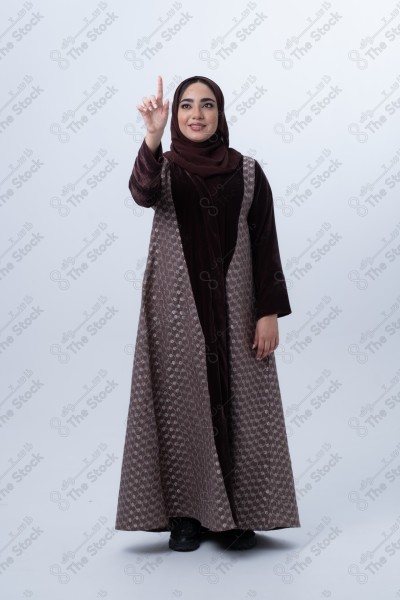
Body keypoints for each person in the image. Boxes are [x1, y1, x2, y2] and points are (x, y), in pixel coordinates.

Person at [114, 74, 301, 552]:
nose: (196, 114)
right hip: (176, 316)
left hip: (238, 312)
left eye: (208, 105)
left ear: (220, 114)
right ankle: (185, 516)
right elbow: (140, 192)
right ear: (175, 115)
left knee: (244, 405)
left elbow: (265, 243)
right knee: (181, 409)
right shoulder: (165, 168)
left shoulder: (250, 172)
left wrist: (268, 312)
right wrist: (152, 136)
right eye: (186, 106)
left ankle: (239, 514)